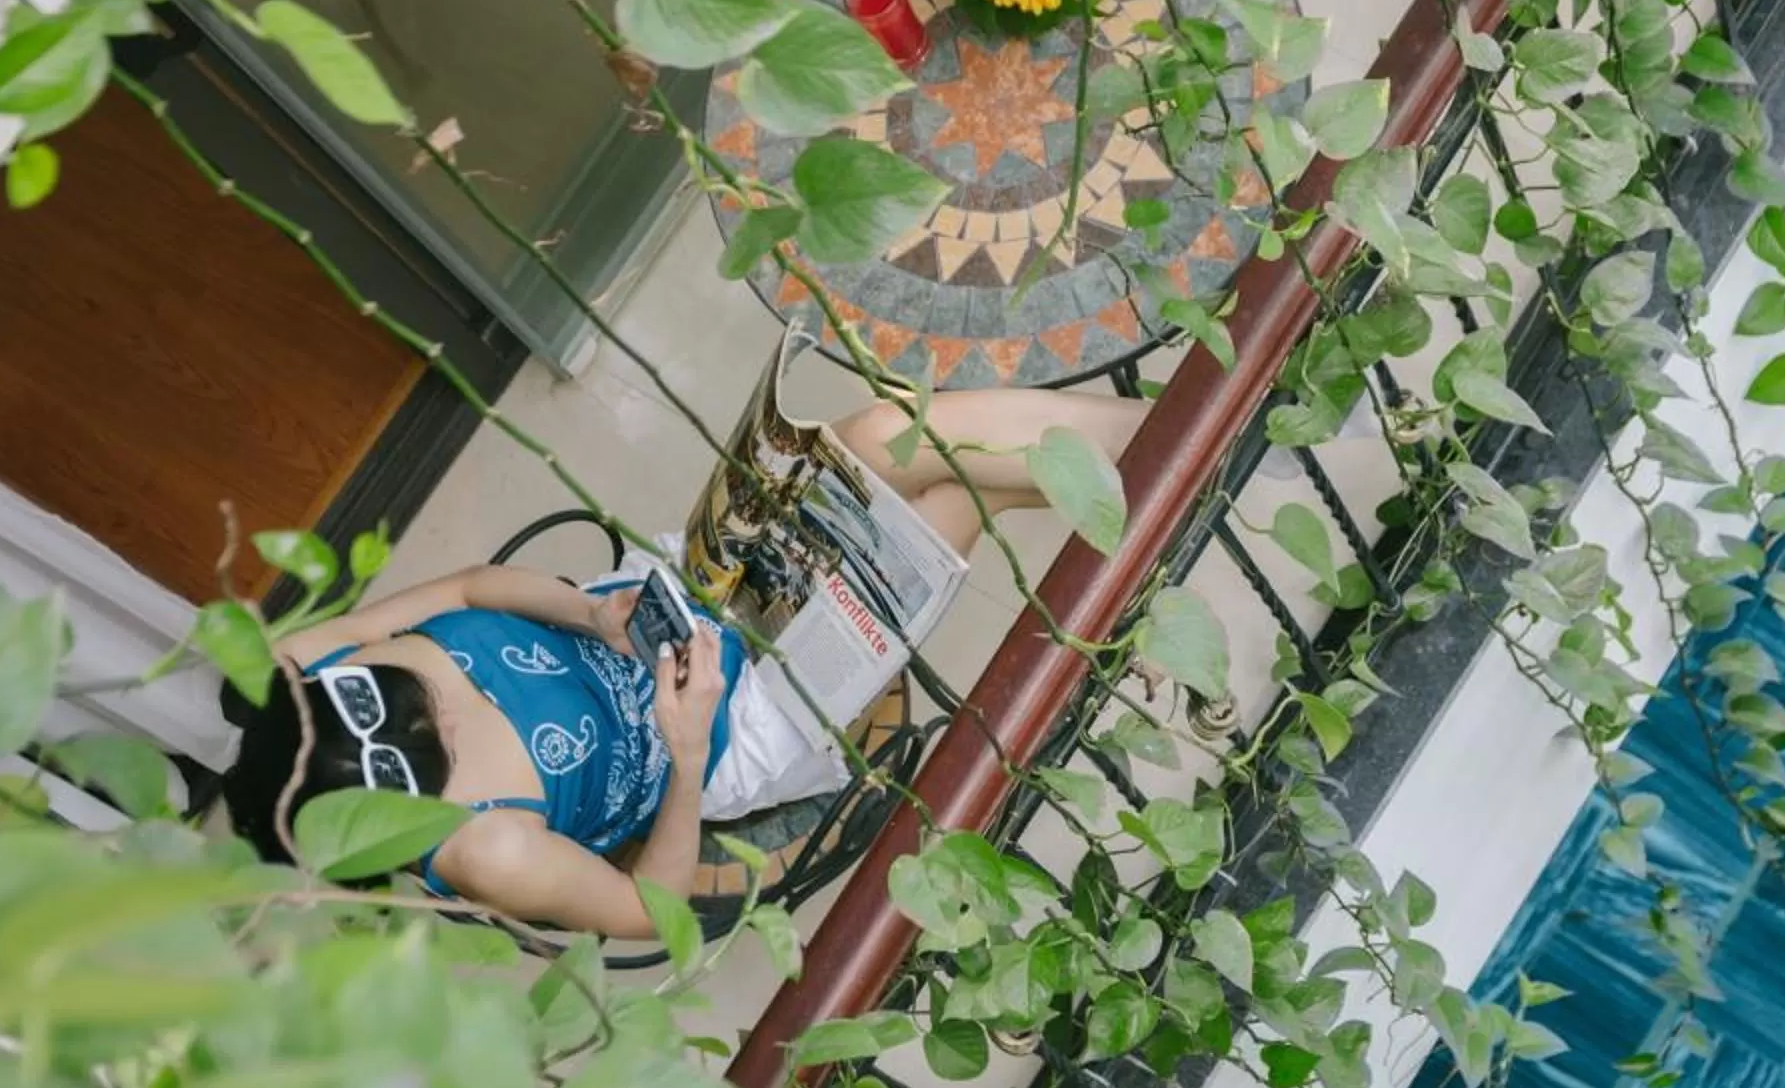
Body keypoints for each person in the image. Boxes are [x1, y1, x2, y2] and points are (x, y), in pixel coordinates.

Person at [216, 384, 1144, 938]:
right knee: (937, 503)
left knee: (874, 435)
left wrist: (587, 610)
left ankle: (1149, 451)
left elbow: (465, 590)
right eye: (441, 745)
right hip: (747, 719)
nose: (455, 705)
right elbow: (654, 908)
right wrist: (689, 749)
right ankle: (1162, 441)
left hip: (670, 597)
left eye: (422, 689)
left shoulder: (309, 666)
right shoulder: (485, 848)